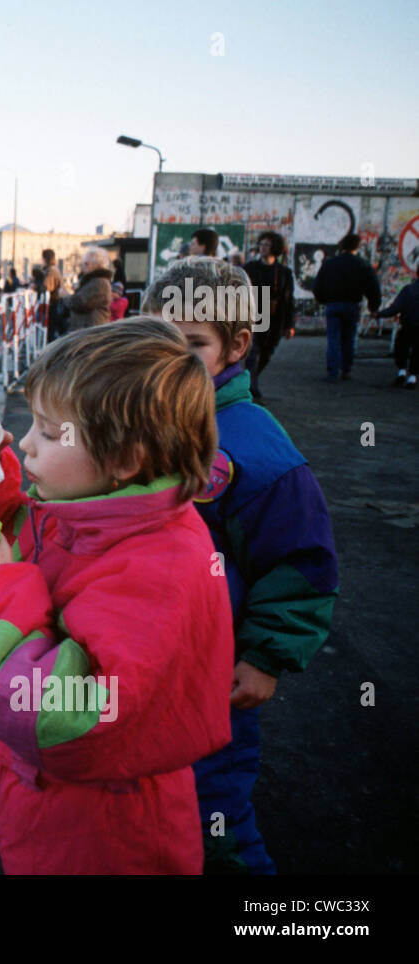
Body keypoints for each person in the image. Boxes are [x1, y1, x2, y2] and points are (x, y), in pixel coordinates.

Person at [0, 318, 233, 873]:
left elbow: (57, 715)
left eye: (50, 433)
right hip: (50, 807)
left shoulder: (160, 568)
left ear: (124, 458)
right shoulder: (86, 514)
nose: (24, 442)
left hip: (105, 836)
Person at [144, 257, 339, 874]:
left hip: (215, 677)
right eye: (159, 340)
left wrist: (264, 657)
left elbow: (301, 562)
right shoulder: (145, 420)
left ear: (237, 344)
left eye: (193, 344)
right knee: (149, 808)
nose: (172, 358)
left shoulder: (257, 447)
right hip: (145, 661)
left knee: (214, 816)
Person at [312, 233, 381, 381]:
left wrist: (323, 300)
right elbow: (373, 287)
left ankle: (332, 371)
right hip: (352, 305)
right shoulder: (362, 264)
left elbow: (318, 285)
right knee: (348, 338)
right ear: (357, 246)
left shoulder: (330, 263)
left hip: (333, 304)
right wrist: (373, 307)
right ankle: (346, 369)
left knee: (333, 339)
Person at [243, 232, 296, 401]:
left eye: (266, 244)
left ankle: (251, 380)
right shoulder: (250, 268)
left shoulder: (283, 272)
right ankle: (252, 389)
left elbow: (288, 299)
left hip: (275, 317)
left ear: (275, 248)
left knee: (266, 353)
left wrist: (290, 324)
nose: (262, 248)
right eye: (261, 244)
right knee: (253, 352)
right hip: (254, 315)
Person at [377, 274, 419, 388]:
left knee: (401, 348)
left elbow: (396, 308)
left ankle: (402, 371)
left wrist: (380, 314)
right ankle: (413, 377)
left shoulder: (408, 289)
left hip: (408, 324)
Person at [60, 247, 113, 329]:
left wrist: (65, 296)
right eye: (83, 263)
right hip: (86, 330)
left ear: (98, 265)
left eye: (87, 264)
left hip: (91, 332)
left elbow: (80, 302)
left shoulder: (99, 283)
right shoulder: (92, 281)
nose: (83, 266)